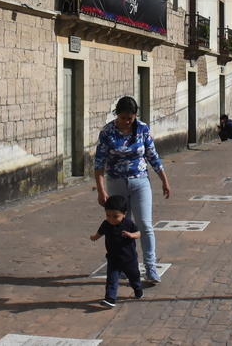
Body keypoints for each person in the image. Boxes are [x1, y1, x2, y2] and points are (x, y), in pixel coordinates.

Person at [94, 96, 171, 284]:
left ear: (135, 115)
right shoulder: (107, 132)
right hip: (116, 183)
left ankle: (151, 268)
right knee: (121, 226)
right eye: (123, 118)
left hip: (140, 181)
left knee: (145, 224)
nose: (127, 122)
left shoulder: (142, 129)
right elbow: (99, 163)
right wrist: (101, 190)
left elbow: (153, 156)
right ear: (117, 115)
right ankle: (123, 265)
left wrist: (164, 181)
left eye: (130, 118)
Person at [89, 195, 143, 307]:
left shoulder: (128, 224)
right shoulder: (106, 224)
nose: (111, 219)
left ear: (124, 214)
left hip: (129, 259)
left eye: (115, 216)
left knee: (134, 276)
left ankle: (137, 288)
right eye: (108, 215)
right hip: (113, 259)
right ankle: (110, 299)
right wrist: (95, 237)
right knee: (111, 279)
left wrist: (131, 235)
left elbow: (139, 233)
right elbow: (100, 232)